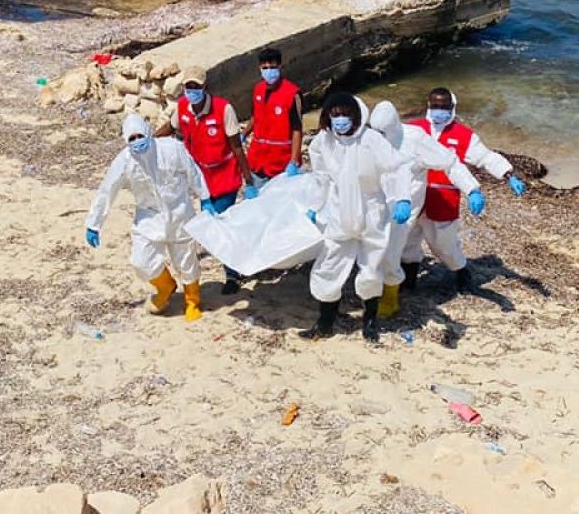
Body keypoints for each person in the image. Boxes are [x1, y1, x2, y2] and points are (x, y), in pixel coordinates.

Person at [300, 92, 412, 343]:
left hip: (371, 215)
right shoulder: (322, 142)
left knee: (371, 272)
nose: (340, 120)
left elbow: (397, 167)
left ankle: (370, 324)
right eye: (335, 114)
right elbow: (321, 178)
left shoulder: (371, 140)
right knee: (328, 268)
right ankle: (325, 323)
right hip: (339, 216)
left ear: (356, 116)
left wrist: (402, 197)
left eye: (345, 115)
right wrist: (313, 206)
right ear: (327, 116)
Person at [85, 113, 213, 321]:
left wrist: (204, 197)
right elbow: (107, 190)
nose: (137, 142)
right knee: (141, 261)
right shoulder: (124, 162)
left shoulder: (172, 149)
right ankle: (165, 287)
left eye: (140, 136)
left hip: (180, 213)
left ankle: (192, 301)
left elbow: (193, 172)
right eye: (132, 139)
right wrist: (94, 223)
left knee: (187, 262)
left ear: (148, 133)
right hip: (149, 218)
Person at [367, 100, 483, 317]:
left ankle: (391, 296)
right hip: (378, 202)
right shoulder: (371, 140)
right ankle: (405, 281)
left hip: (407, 206)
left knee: (393, 247)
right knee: (392, 248)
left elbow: (449, 162)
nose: (379, 136)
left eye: (383, 132)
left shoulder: (414, 139)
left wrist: (472, 189)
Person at [404, 87, 525, 293]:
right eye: (435, 106)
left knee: (444, 246)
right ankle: (408, 279)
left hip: (443, 198)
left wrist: (508, 175)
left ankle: (461, 270)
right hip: (414, 195)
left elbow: (486, 157)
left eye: (444, 107)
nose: (439, 110)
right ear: (428, 106)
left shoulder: (463, 135)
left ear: (452, 107)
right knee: (406, 239)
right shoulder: (414, 129)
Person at [172, 64, 259, 295]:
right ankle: (233, 264)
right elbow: (172, 129)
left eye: (196, 87)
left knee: (222, 224)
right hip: (200, 178)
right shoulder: (182, 108)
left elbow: (237, 147)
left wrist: (248, 180)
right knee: (212, 223)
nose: (192, 91)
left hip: (224, 174)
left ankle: (232, 274)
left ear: (205, 87)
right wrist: (146, 141)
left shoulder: (222, 110)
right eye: (188, 87)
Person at [243, 47, 304, 185]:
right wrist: (244, 134)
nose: (268, 71)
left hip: (281, 163)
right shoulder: (258, 89)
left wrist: (294, 161)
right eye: (265, 68)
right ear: (259, 68)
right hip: (258, 160)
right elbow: (255, 116)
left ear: (280, 66)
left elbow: (297, 129)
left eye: (272, 67)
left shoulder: (292, 94)